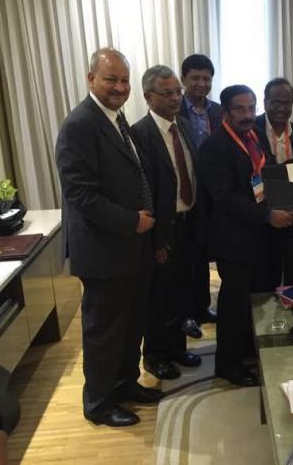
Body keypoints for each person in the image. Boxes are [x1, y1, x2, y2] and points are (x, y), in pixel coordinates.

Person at [55, 48, 163, 427]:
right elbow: (80, 195)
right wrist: (132, 221)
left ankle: (125, 384)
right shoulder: (80, 125)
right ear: (91, 79)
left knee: (131, 324)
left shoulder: (116, 119)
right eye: (110, 79)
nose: (119, 87)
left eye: (124, 80)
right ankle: (98, 404)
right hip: (105, 251)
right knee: (104, 332)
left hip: (131, 248)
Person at [198, 85, 293, 387]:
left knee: (259, 297)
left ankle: (248, 350)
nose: (247, 115)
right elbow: (225, 197)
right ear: (226, 112)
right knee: (235, 303)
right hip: (234, 238)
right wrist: (267, 216)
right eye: (239, 109)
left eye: (251, 108)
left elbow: (265, 176)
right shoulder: (214, 146)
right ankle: (227, 364)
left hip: (260, 236)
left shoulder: (254, 137)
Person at [131, 65, 204, 380]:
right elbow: (141, 191)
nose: (176, 98)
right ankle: (155, 355)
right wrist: (156, 239)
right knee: (159, 296)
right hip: (163, 229)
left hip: (188, 222)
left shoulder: (183, 125)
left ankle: (176, 347)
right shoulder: (139, 134)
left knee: (182, 292)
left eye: (178, 91)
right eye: (167, 93)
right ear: (149, 97)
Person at [255, 77, 293, 285]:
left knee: (291, 276)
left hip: (292, 215)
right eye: (275, 102)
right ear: (265, 102)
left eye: (286, 103)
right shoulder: (252, 129)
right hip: (262, 215)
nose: (281, 108)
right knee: (264, 276)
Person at [179, 53, 221, 325]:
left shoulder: (219, 111)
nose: (201, 84)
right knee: (186, 256)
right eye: (195, 78)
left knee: (204, 251)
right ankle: (186, 313)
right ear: (184, 79)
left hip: (213, 193)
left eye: (206, 78)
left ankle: (203, 306)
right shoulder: (173, 110)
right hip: (184, 192)